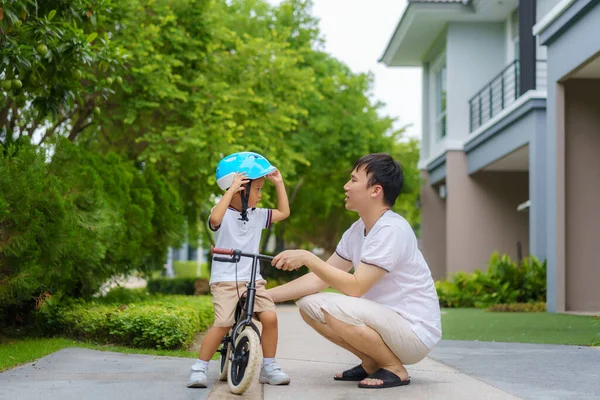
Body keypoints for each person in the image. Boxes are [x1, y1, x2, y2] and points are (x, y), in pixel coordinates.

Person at [267, 153, 442, 390]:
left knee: (331, 307)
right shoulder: (357, 229)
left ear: (375, 190)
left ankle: (393, 368)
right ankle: (371, 362)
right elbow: (319, 279)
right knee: (309, 305)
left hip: (413, 332)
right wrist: (265, 297)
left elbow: (356, 287)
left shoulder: (391, 229)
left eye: (353, 180)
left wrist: (308, 257)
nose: (346, 186)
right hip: (387, 324)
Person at [187, 151, 291, 388]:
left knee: (270, 317)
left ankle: (269, 366)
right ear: (241, 190)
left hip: (253, 279)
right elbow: (214, 219)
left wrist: (279, 184)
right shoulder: (222, 212)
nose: (260, 195)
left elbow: (284, 213)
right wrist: (231, 190)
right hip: (225, 280)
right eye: (257, 190)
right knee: (223, 322)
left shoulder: (257, 215)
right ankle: (199, 367)